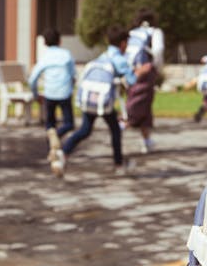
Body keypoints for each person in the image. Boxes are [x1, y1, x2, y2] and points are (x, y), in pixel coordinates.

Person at [52, 26, 145, 177]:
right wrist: (141, 71)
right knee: (115, 130)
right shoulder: (120, 60)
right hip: (104, 102)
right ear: (123, 43)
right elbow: (131, 80)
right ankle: (119, 164)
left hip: (90, 99)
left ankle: (63, 153)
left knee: (85, 130)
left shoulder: (104, 55)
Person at [29, 27, 76, 159]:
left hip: (49, 93)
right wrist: (71, 86)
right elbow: (74, 75)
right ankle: (56, 141)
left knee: (50, 124)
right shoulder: (66, 54)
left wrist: (35, 94)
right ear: (60, 41)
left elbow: (33, 78)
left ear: (44, 42)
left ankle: (52, 145)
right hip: (65, 93)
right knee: (69, 123)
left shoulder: (44, 57)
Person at [125, 48, 159, 154]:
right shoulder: (147, 68)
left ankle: (147, 142)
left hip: (141, 99)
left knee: (142, 122)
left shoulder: (145, 68)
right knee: (132, 121)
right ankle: (116, 131)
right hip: (139, 100)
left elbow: (131, 80)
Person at [126, 8, 165, 72]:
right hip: (144, 70)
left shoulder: (131, 32)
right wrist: (157, 70)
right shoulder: (155, 32)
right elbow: (158, 52)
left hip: (128, 69)